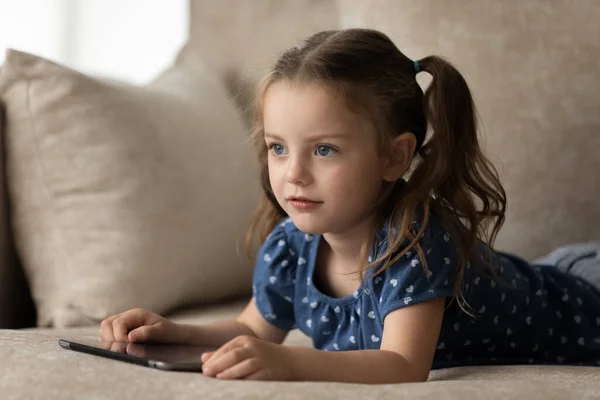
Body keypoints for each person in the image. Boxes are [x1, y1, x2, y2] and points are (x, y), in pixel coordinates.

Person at [99, 28, 600, 383]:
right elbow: (254, 328)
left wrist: (290, 364)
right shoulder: (292, 247)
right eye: (278, 147)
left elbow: (403, 365)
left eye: (324, 150)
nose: (293, 173)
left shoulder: (414, 242)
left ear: (394, 155)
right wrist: (169, 331)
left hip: (584, 305)